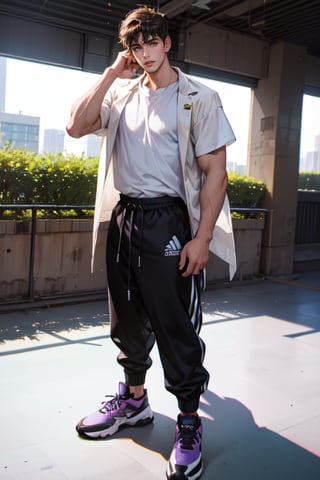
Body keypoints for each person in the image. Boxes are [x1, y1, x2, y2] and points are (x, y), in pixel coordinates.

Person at [67, 6, 236, 480]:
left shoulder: (198, 97)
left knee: (174, 324)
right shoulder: (120, 92)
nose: (144, 52)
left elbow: (215, 174)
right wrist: (107, 76)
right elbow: (76, 126)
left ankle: (187, 421)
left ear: (168, 42)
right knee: (127, 319)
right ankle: (135, 402)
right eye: (135, 45)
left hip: (170, 221)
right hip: (126, 217)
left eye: (152, 41)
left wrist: (201, 238)